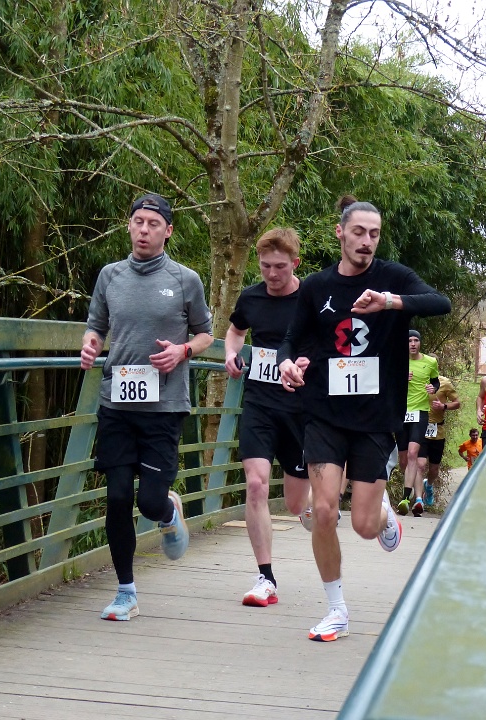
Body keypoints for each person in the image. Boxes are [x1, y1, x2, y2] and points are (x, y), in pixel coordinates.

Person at [277, 196, 451, 641]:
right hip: (324, 413)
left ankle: (384, 515)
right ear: (341, 232)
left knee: (363, 525)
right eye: (358, 232)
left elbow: (441, 302)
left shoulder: (393, 277)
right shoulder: (316, 286)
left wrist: (390, 303)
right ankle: (336, 609)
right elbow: (291, 339)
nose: (367, 241)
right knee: (323, 510)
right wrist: (287, 363)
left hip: (375, 420)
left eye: (374, 234)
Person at [80, 193, 213, 621]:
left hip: (163, 407)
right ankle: (126, 592)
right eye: (138, 221)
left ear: (167, 231)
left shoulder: (185, 279)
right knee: (118, 495)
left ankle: (167, 510)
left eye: (153, 224)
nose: (143, 229)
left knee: (149, 502)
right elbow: (96, 326)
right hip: (117, 402)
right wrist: (90, 345)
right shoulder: (110, 275)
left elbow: (206, 335)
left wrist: (182, 351)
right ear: (129, 225)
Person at [224, 227, 311, 608]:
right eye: (265, 266)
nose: (272, 274)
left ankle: (312, 502)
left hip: (300, 407)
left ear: (295, 263)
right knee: (257, 484)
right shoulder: (251, 297)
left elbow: (332, 344)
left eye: (279, 267)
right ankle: (265, 577)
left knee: (294, 504)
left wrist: (306, 363)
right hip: (259, 402)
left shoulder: (311, 298)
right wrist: (231, 354)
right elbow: (235, 331)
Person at [395, 331, 440, 517]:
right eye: (409, 341)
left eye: (416, 340)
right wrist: (399, 379)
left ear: (420, 343)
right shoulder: (397, 361)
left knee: (413, 453)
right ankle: (414, 493)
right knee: (404, 460)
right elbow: (385, 384)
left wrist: (432, 388)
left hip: (420, 412)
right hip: (401, 413)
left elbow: (435, 381)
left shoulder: (430, 362)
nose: (413, 344)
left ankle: (407, 498)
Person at [418, 374, 461, 508]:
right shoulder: (417, 379)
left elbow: (457, 403)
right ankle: (418, 499)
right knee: (420, 465)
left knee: (434, 469)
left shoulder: (444, 382)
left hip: (437, 431)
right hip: (419, 428)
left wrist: (444, 406)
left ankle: (428, 485)